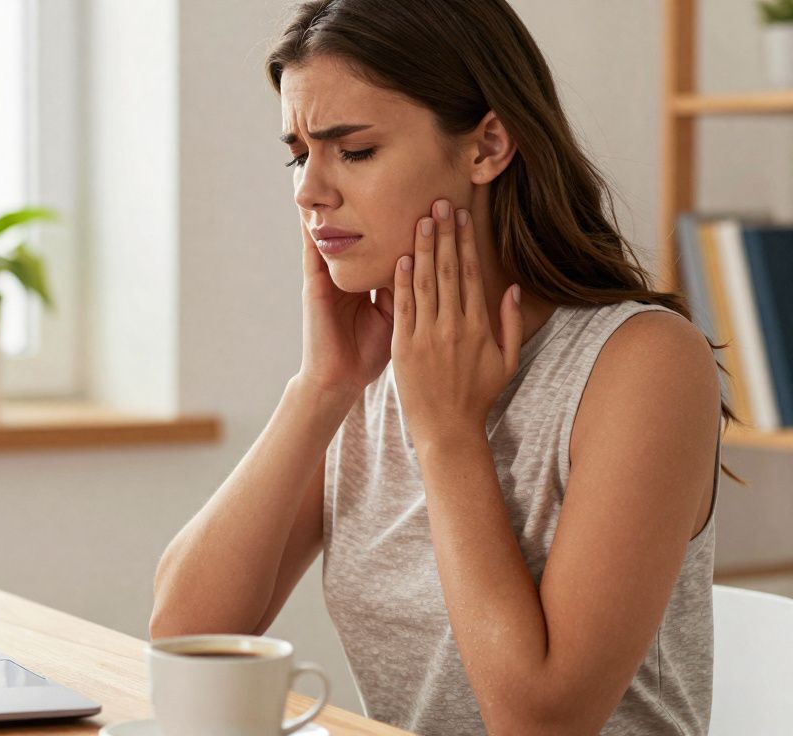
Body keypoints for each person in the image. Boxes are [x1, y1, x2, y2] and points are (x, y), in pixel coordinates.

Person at [150, 1, 739, 734]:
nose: (309, 191)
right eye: (301, 154)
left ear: (488, 145)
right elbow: (181, 640)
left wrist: (448, 431)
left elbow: (542, 723)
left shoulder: (644, 366)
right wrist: (320, 389)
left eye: (354, 151)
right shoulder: (369, 374)